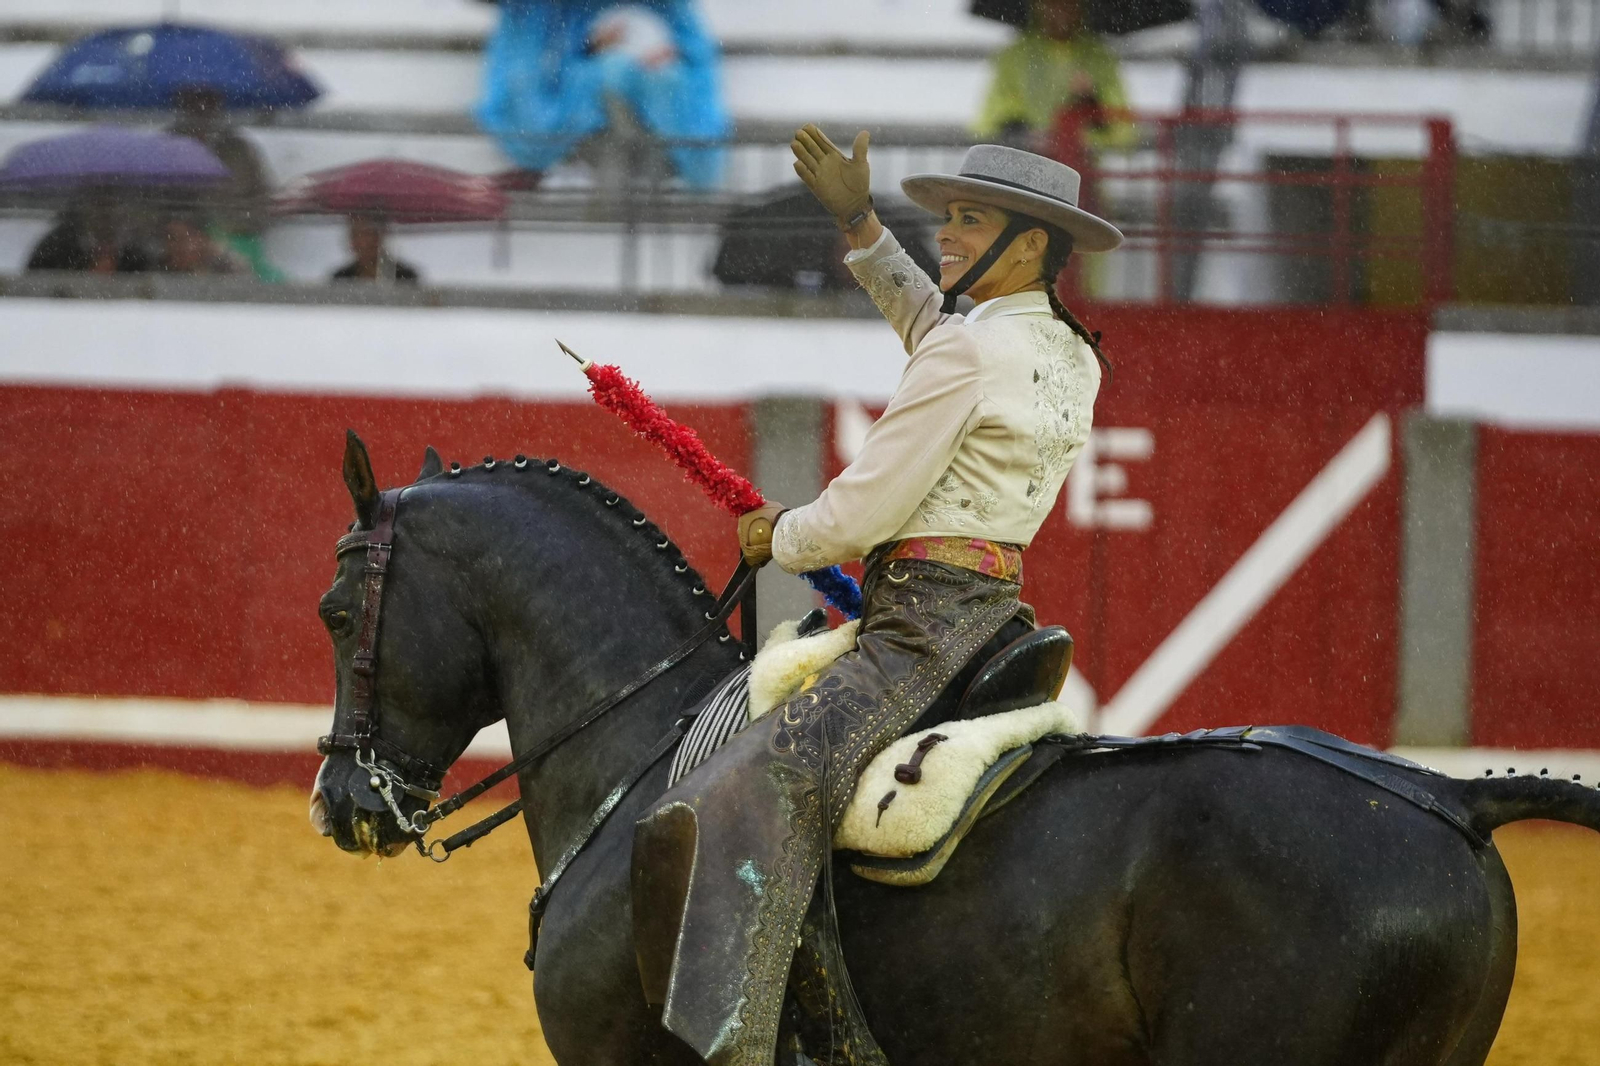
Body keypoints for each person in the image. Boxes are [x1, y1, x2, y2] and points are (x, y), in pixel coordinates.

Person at [632, 127, 1121, 1064]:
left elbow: (858, 516)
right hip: (995, 619)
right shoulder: (1070, 354)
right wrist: (859, 223)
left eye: (969, 222)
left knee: (754, 785)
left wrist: (779, 534)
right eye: (946, 219)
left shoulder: (969, 356)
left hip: (916, 628)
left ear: (1028, 244)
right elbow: (942, 334)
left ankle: (779, 1047)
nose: (945, 235)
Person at [474, 0, 730, 190]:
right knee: (538, 84)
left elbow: (689, 56)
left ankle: (660, 164)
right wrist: (591, 47)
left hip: (652, 80)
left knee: (662, 81)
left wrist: (662, 54)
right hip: (558, 99)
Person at [974, 0, 1137, 155]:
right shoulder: (1015, 56)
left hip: (1082, 170)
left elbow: (1122, 132)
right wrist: (1022, 131)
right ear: (1036, 6)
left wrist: (1091, 102)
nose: (1060, 9)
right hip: (1025, 165)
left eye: (1070, 2)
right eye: (1051, 2)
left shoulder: (1099, 58)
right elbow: (991, 120)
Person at [26, 193, 152, 274]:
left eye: (112, 205)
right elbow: (34, 283)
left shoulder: (138, 251)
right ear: (83, 208)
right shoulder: (56, 246)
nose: (105, 214)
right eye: (98, 205)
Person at [330, 214, 420, 284]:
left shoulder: (405, 276)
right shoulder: (341, 278)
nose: (363, 242)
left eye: (369, 233)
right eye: (356, 234)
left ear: (381, 236)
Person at [159, 212, 247, 275]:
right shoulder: (156, 267)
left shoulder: (228, 266)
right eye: (170, 239)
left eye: (181, 239)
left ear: (201, 238)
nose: (175, 247)